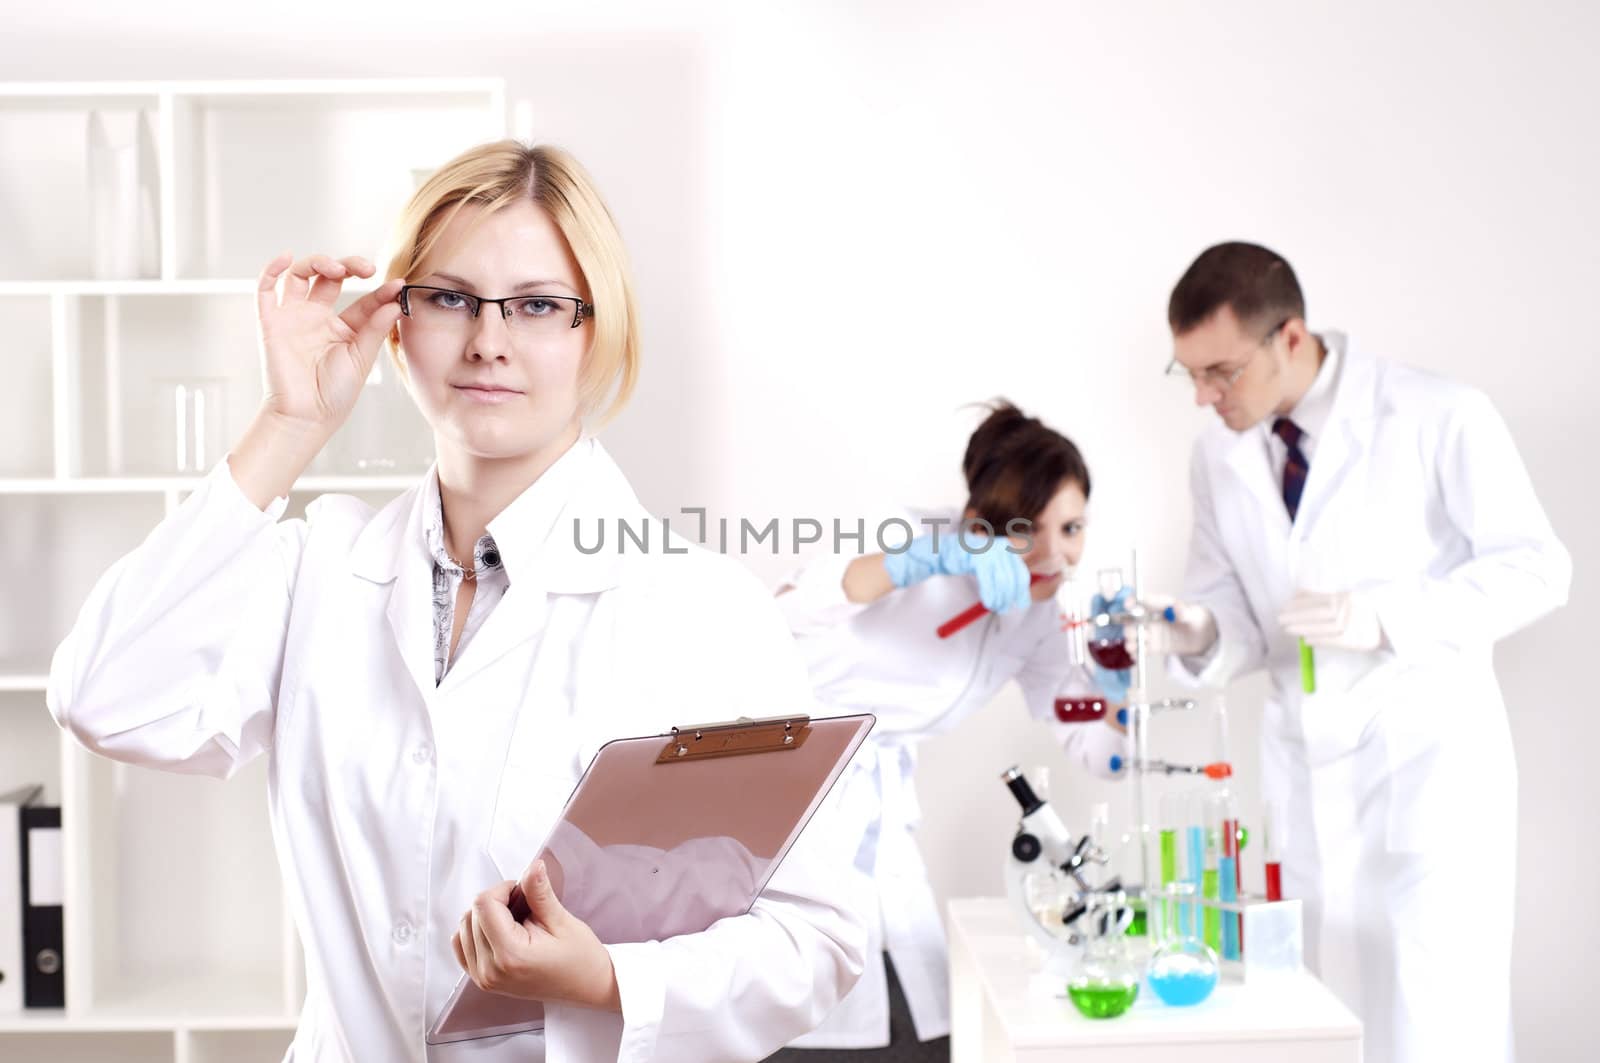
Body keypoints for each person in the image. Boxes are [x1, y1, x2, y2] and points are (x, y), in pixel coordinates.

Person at [46, 141, 866, 1063]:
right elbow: (104, 695)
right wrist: (290, 425)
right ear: (395, 319)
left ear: (598, 329)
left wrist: (603, 979)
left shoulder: (699, 605)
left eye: (538, 305)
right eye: (448, 297)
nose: (488, 340)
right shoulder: (320, 567)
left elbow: (817, 939)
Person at [1151, 242, 1570, 1063]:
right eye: (1188, 375)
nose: (1204, 397)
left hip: (1426, 772)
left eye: (1221, 372)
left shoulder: (1435, 413)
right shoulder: (1219, 453)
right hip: (1305, 777)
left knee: (1436, 1019)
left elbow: (1538, 567)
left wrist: (1384, 615)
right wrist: (1203, 633)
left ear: (1292, 337)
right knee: (1317, 1014)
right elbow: (1232, 602)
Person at [767, 402, 1129, 1060]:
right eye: (1028, 531)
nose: (1056, 555)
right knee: (796, 1007)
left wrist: (1125, 701)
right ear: (975, 524)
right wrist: (922, 562)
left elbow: (1093, 743)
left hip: (880, 820)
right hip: (786, 804)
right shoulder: (910, 538)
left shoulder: (1039, 618)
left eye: (1071, 527)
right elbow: (787, 611)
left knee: (923, 1015)